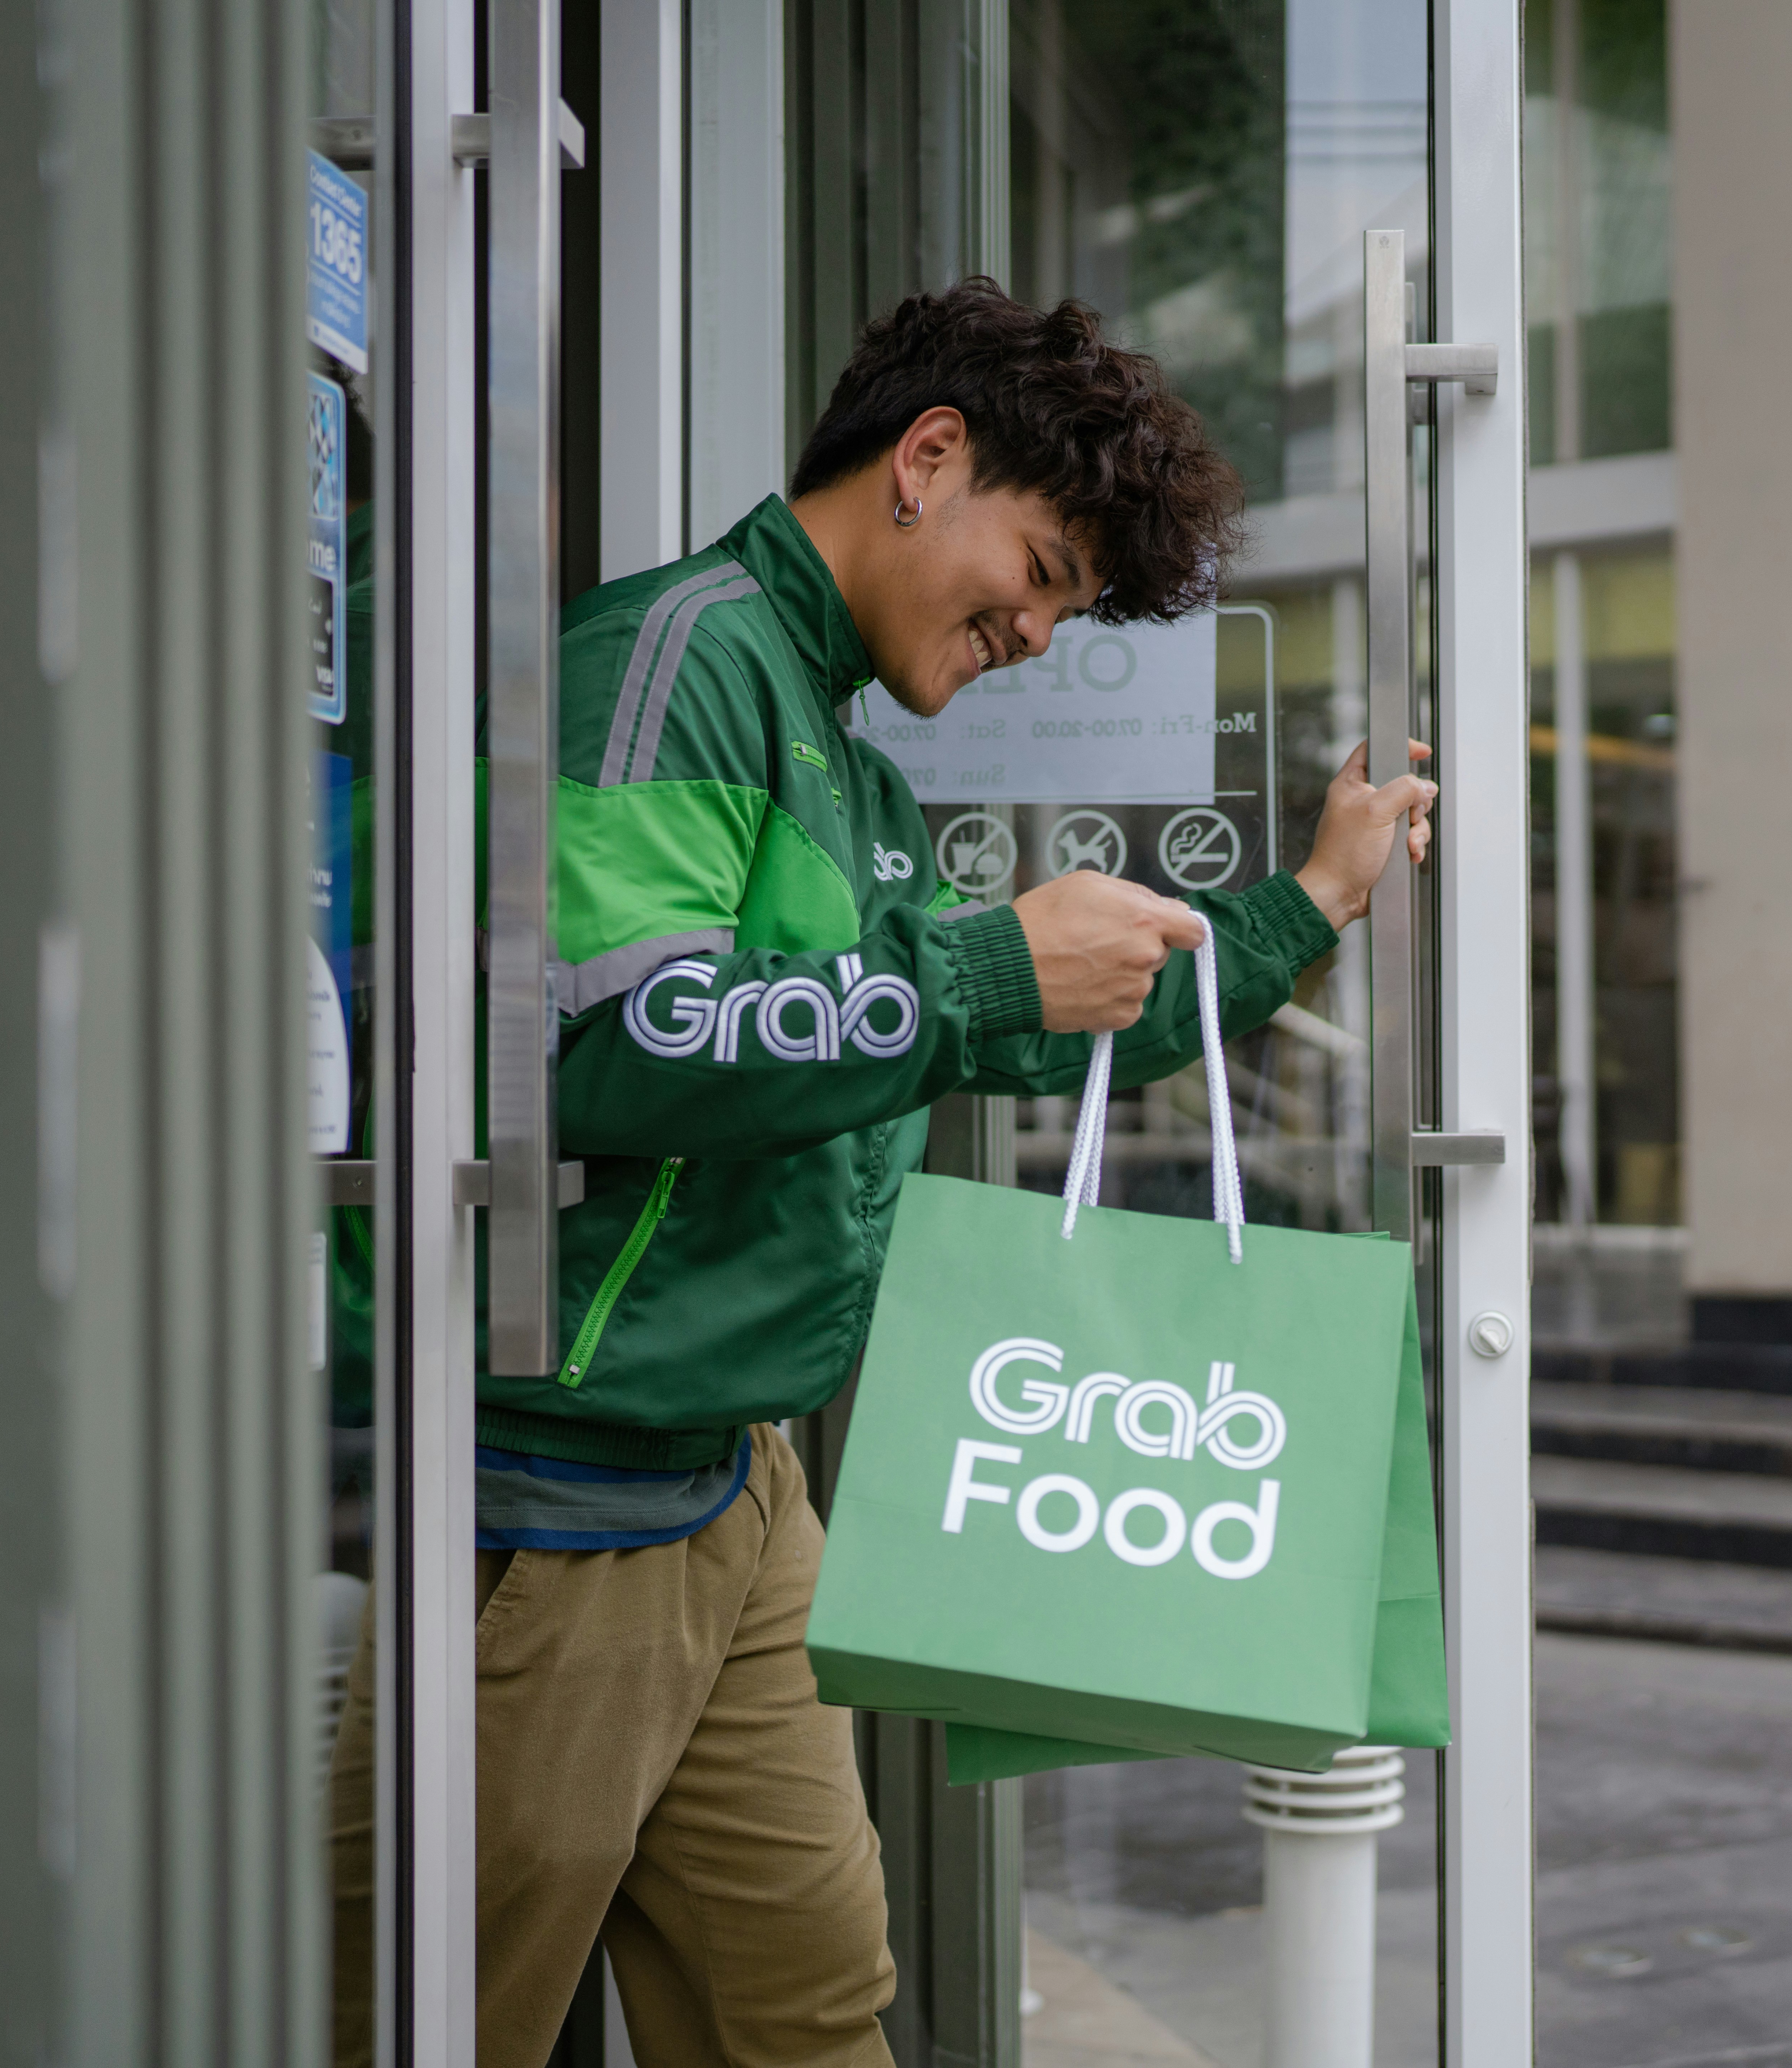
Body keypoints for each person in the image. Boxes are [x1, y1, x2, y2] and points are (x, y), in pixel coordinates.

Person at [327, 280, 1435, 2067]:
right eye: (1047, 568)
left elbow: (1021, 1022)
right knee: (434, 2022)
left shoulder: (842, 761)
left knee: (811, 2005)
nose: (1041, 631)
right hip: (557, 1500)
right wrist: (990, 963)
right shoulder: (674, 658)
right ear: (927, 459)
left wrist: (1309, 899)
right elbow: (606, 1037)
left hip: (735, 1493)